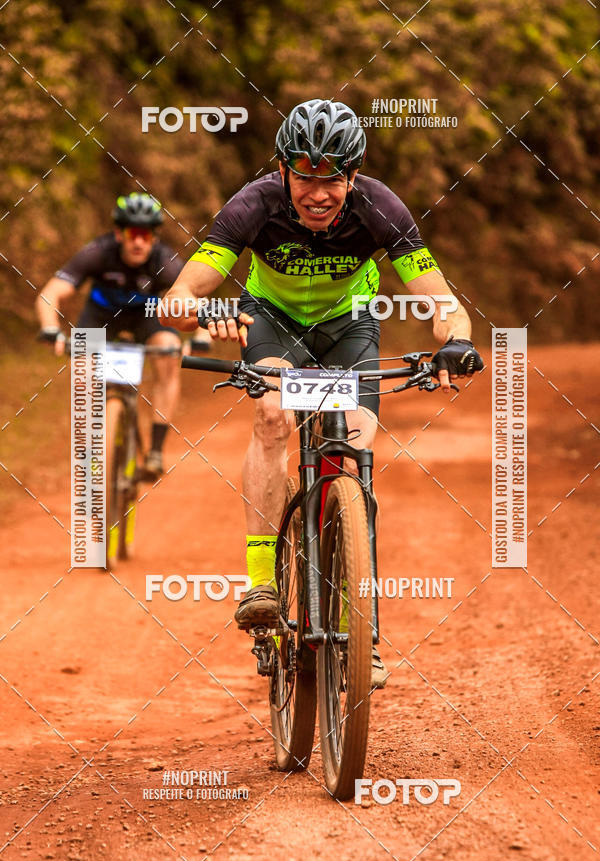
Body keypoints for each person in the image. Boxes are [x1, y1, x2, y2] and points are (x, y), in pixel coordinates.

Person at [159, 99, 484, 687]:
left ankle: (360, 629)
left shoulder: (380, 207)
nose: (317, 192)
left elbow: (443, 302)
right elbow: (178, 298)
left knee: (355, 458)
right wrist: (204, 310)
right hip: (272, 320)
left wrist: (455, 343)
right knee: (273, 415)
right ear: (284, 169)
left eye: (331, 177)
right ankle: (261, 578)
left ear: (352, 175)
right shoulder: (253, 205)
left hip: (351, 328)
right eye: (305, 175)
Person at [35, 191, 209, 477]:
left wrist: (202, 336)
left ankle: (154, 450)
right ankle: (89, 450)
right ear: (119, 234)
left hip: (147, 316)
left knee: (168, 352)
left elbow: (194, 299)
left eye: (146, 234)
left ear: (154, 237)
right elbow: (50, 294)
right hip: (100, 317)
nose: (139, 241)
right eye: (132, 233)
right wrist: (51, 329)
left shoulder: (165, 260)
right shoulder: (97, 252)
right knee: (83, 370)